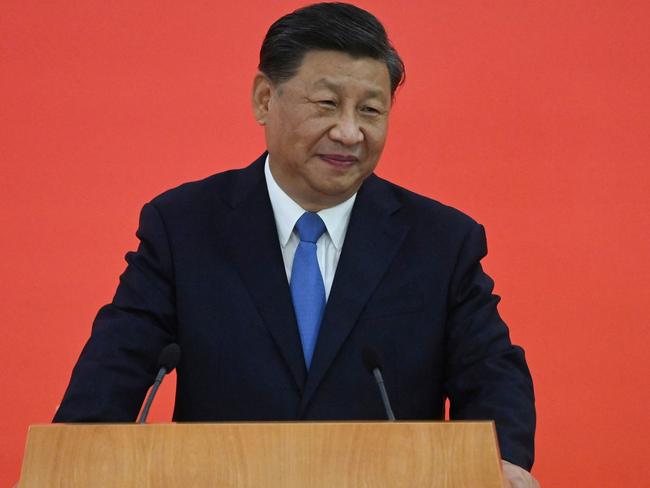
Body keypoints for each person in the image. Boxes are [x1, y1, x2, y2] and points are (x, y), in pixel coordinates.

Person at [54, 3, 538, 487]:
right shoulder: (183, 227)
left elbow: (491, 372)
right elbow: (115, 366)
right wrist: (71, 462)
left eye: (370, 110)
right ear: (265, 99)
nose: (349, 132)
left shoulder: (441, 241)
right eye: (326, 104)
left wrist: (501, 463)